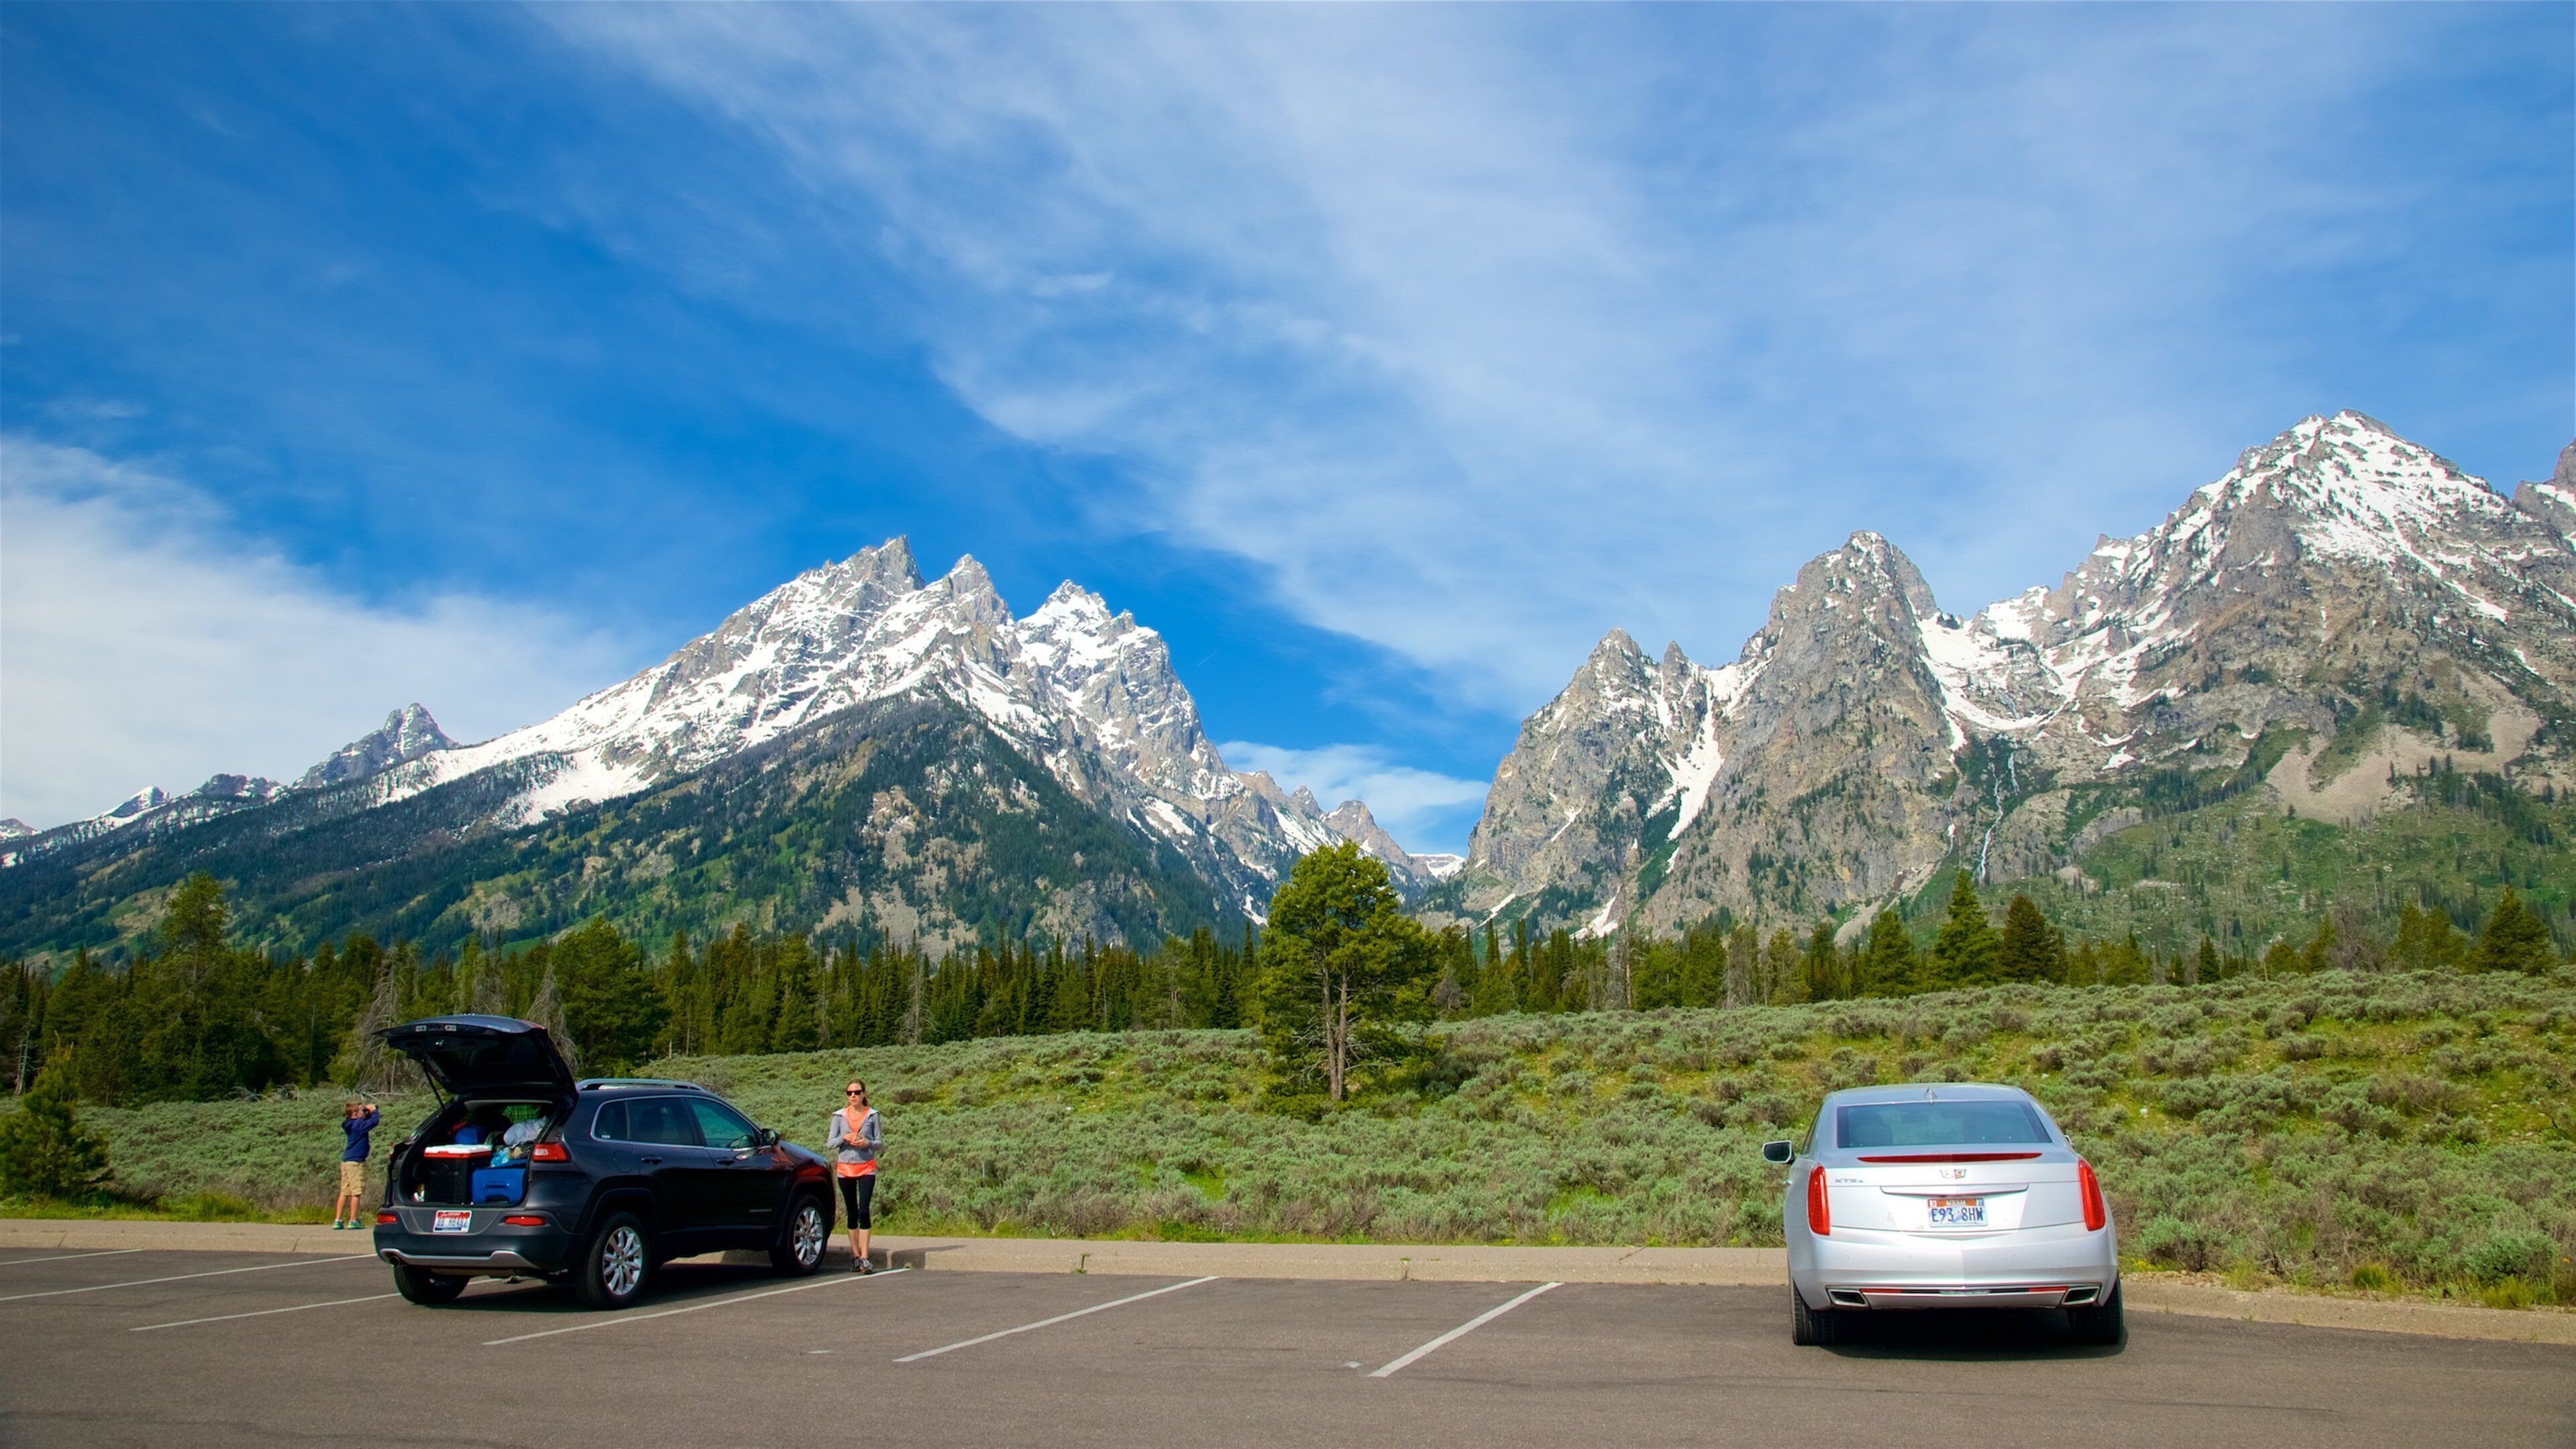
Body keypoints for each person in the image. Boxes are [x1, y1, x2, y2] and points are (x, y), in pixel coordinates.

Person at [828, 1081, 882, 1273]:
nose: (853, 1096)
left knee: (864, 1211)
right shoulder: (838, 1116)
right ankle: (855, 1256)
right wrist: (845, 1138)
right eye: (850, 1093)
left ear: (863, 1094)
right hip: (845, 1168)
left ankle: (866, 1257)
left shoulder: (873, 1115)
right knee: (852, 1212)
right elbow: (830, 1143)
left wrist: (867, 1143)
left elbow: (879, 1142)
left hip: (867, 1167)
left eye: (857, 1092)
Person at [333, 1099, 380, 1230]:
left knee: (344, 1192)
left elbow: (368, 1122)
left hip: (347, 1161)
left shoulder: (350, 1125)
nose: (364, 1113)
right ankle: (353, 1220)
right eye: (362, 1111)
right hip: (355, 1163)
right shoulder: (358, 1126)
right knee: (356, 1192)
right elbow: (374, 1122)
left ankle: (338, 1220)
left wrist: (368, 1113)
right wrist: (374, 1112)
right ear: (355, 1114)